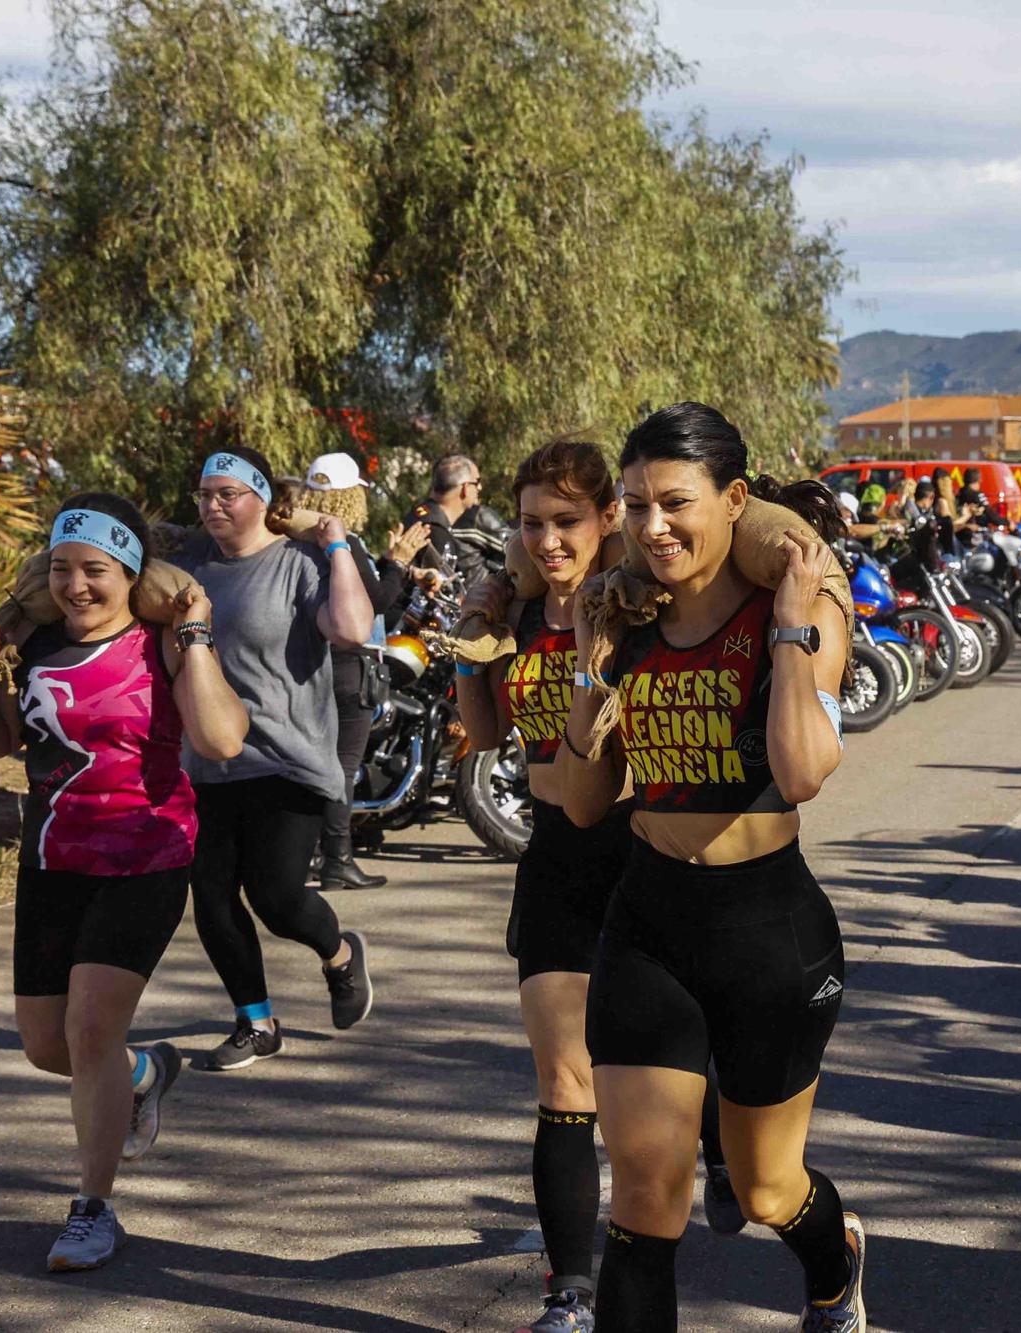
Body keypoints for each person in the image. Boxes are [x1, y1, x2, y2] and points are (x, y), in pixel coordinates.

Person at [553, 402, 865, 1333]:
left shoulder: (800, 608)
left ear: (734, 500)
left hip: (769, 934)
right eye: (637, 504)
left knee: (768, 1189)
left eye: (677, 503)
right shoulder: (628, 622)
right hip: (648, 927)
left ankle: (836, 1262)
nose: (654, 527)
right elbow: (579, 803)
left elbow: (802, 772)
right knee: (646, 1204)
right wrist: (589, 672)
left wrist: (790, 630)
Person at [454, 439, 733, 1333]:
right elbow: (487, 728)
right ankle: (571, 1290)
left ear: (609, 516)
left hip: (643, 851)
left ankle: (725, 1129)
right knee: (562, 1078)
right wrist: (473, 642)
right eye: (531, 523)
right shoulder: (525, 606)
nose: (546, 540)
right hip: (554, 862)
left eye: (566, 521)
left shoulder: (641, 602)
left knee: (658, 1082)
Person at [0, 494, 248, 1270]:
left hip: (146, 854)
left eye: (96, 571)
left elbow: (220, 738)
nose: (76, 586)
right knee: (49, 1044)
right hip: (52, 859)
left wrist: (194, 638)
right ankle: (148, 1071)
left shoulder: (161, 643)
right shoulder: (40, 642)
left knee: (90, 1030)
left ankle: (94, 1209)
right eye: (62, 569)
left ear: (130, 573)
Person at [174, 447, 378, 1070]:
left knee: (277, 896)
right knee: (210, 897)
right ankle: (255, 1022)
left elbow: (350, 629)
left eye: (227, 494)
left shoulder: (298, 561)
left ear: (262, 497)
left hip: (287, 760)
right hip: (207, 761)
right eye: (205, 494)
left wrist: (336, 544)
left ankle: (340, 954)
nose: (212, 505)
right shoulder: (187, 569)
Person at [301, 452, 422, 891]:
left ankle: (313, 855)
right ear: (352, 496)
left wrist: (401, 577)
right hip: (350, 668)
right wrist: (399, 563)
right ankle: (337, 859)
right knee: (341, 767)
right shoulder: (343, 544)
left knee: (319, 766)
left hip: (314, 666)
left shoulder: (300, 542)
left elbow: (383, 614)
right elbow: (374, 605)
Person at [404, 452, 491, 585]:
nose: (480, 487)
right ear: (465, 488)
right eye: (477, 482)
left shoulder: (420, 515)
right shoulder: (434, 531)